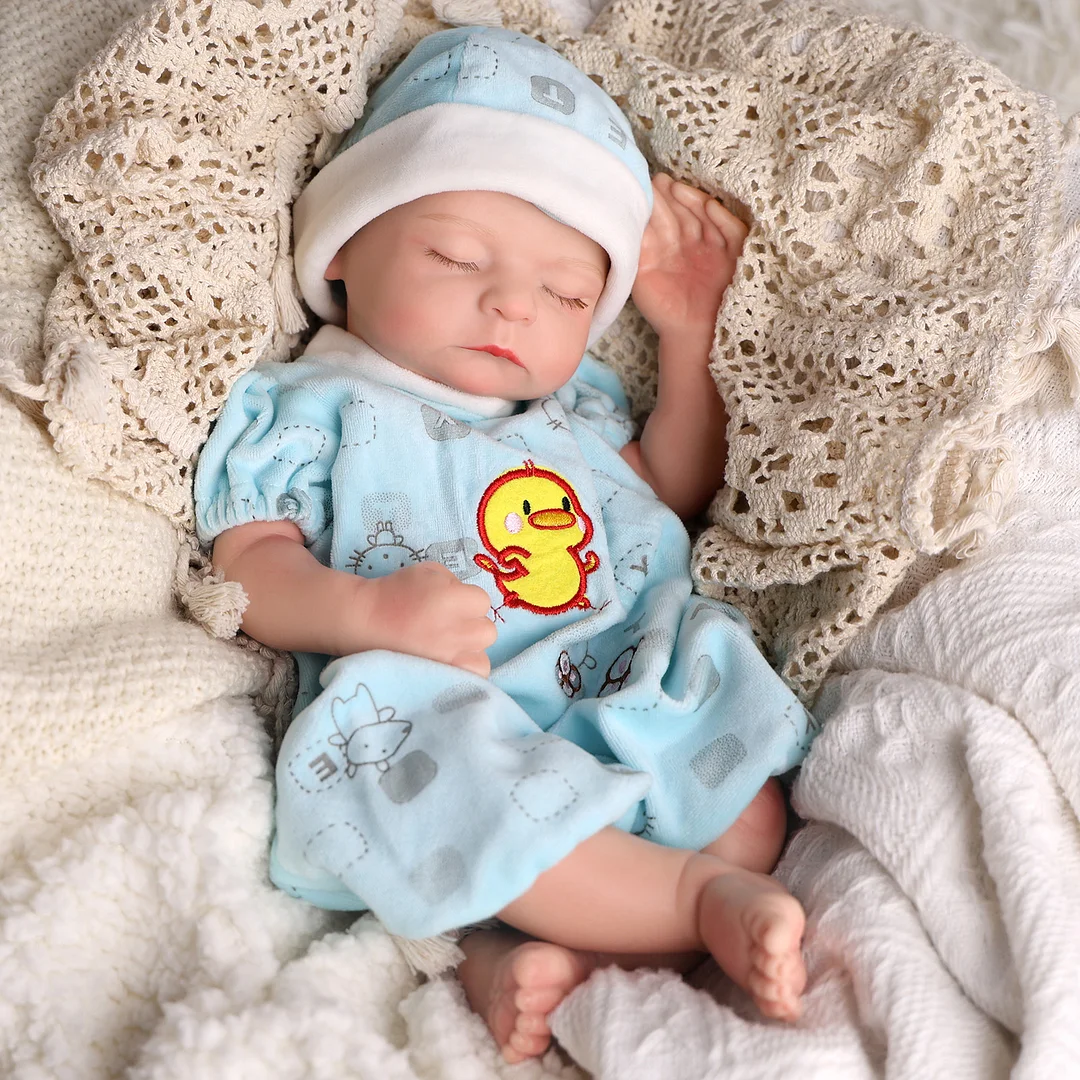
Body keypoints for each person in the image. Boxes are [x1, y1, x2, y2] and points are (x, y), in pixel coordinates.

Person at [194, 26, 817, 1063]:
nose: (515, 304)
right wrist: (363, 612)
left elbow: (669, 486)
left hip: (618, 676)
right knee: (407, 762)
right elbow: (247, 565)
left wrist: (688, 338)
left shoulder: (579, 406)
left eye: (568, 294)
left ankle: (526, 952)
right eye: (455, 256)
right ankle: (687, 902)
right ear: (342, 247)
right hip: (448, 708)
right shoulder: (312, 405)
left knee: (746, 798)